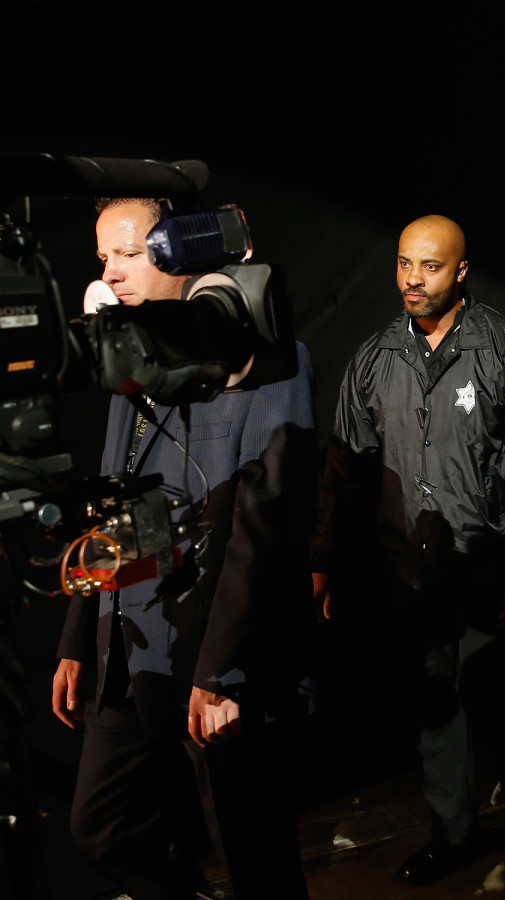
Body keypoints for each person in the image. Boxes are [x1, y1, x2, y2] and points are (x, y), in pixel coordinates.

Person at [52, 197, 314, 898]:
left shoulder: (271, 359)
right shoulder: (126, 357)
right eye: (103, 256)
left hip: (214, 657)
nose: (112, 271)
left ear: (183, 252)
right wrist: (79, 640)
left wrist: (222, 672)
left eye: (128, 253)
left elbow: (262, 528)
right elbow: (112, 508)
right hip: (128, 646)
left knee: (253, 856)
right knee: (103, 827)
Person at [311, 215, 505, 889]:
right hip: (410, 571)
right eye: (405, 264)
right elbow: (344, 466)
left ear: (461, 271)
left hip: (487, 569)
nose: (413, 280)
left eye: (431, 267)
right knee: (435, 710)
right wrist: (322, 557)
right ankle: (453, 834)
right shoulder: (376, 358)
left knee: (503, 707)